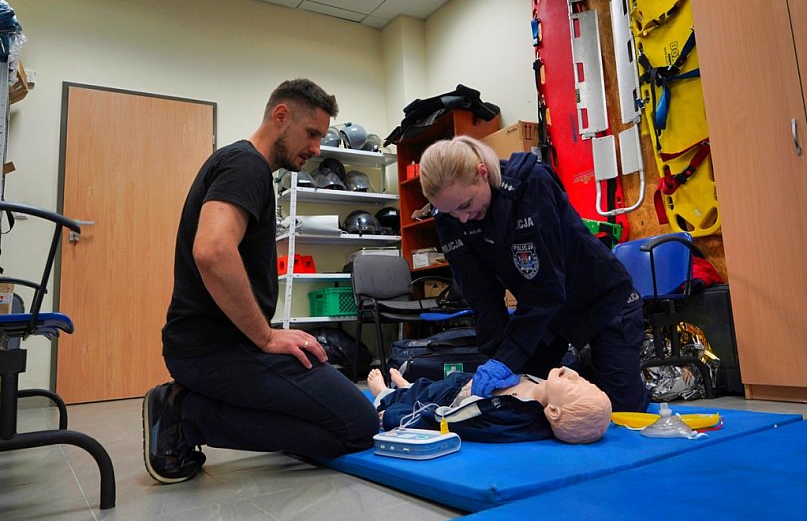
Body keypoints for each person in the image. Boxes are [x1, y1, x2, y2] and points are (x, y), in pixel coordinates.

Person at [142, 78, 379, 484]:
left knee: (338, 410)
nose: (317, 148)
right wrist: (267, 338)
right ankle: (185, 415)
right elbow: (213, 251)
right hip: (213, 351)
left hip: (213, 347)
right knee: (357, 425)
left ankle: (193, 405)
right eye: (312, 133)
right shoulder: (246, 165)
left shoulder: (243, 166)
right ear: (280, 116)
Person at [418, 135, 650, 413]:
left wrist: (508, 358)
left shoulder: (532, 185)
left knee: (622, 412)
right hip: (548, 315)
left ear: (482, 174)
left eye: (465, 205)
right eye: (451, 212)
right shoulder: (450, 216)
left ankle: (606, 378)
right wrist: (497, 359)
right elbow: (481, 296)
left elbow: (547, 289)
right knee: (525, 402)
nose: (462, 218)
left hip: (602, 300)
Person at [367, 366, 613, 444]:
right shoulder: (544, 385)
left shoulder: (514, 416)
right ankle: (406, 385)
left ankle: (386, 392)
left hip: (450, 398)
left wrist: (399, 416)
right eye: (582, 379)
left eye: (573, 385)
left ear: (554, 411)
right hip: (467, 381)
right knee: (424, 385)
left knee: (421, 393)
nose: (572, 374)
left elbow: (458, 420)